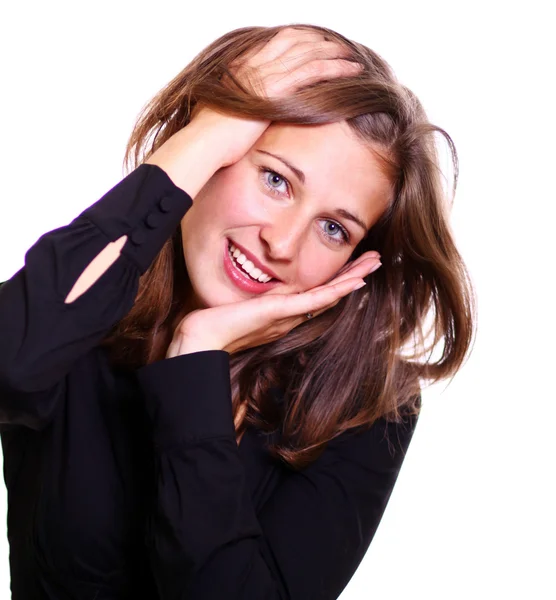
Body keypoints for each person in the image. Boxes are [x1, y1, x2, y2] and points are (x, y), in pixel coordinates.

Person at [0, 24, 475, 600]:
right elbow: (10, 367)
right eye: (275, 179)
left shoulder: (368, 404)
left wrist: (195, 361)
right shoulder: (77, 316)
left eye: (334, 228)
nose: (283, 242)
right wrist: (208, 129)